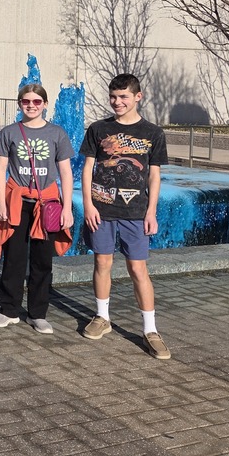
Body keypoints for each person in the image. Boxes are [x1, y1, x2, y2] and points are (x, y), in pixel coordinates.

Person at [80, 73, 170, 360]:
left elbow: (154, 176)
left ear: (137, 97)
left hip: (135, 212)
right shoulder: (98, 129)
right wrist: (89, 206)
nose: (117, 102)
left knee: (138, 270)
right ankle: (102, 317)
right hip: (102, 209)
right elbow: (87, 169)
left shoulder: (153, 133)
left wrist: (151, 211)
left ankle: (150, 330)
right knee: (102, 262)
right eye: (113, 97)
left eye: (123, 97)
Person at [0, 84, 75, 334]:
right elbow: (0, 169)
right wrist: (1, 202)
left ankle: (38, 313)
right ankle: (9, 310)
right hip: (17, 202)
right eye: (26, 101)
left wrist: (67, 207)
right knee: (13, 258)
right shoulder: (9, 132)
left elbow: (66, 172)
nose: (31, 105)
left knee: (42, 260)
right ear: (19, 104)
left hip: (47, 204)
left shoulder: (57, 133)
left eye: (37, 101)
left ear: (45, 104)